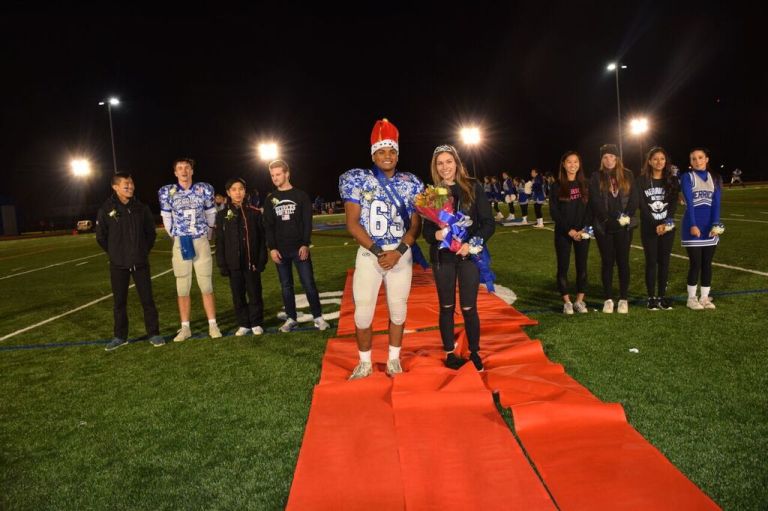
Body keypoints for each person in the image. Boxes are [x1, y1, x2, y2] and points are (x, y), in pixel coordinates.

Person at [339, 118, 424, 379]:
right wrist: (378, 253)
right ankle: (364, 362)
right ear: (373, 154)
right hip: (370, 253)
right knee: (363, 313)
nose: (387, 156)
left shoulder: (411, 182)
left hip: (400, 253)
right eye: (381, 151)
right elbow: (353, 224)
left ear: (397, 155)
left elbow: (415, 225)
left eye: (392, 151)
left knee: (398, 309)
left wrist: (398, 252)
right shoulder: (357, 179)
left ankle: (393, 359)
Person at [422, 144, 494, 370]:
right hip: (443, 258)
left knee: (468, 307)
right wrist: (437, 234)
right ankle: (450, 353)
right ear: (435, 167)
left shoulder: (473, 187)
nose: (445, 167)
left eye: (448, 162)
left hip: (468, 256)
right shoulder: (433, 193)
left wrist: (470, 244)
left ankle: (474, 352)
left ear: (457, 163)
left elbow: (488, 223)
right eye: (440, 163)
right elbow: (426, 233)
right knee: (446, 306)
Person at [96, 172, 165, 350]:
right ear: (115, 187)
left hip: (140, 262)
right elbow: (101, 237)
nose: (130, 187)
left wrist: (141, 251)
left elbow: (151, 233)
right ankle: (120, 336)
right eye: (126, 185)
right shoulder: (106, 209)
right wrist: (115, 253)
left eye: (132, 184)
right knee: (119, 302)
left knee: (147, 300)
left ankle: (154, 333)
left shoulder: (141, 208)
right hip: (118, 264)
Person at [158, 157, 222, 341]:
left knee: (206, 284)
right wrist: (177, 236)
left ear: (192, 171)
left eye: (187, 167)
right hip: (182, 241)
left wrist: (207, 236)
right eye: (180, 168)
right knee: (182, 286)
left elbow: (211, 214)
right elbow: (167, 218)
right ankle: (185, 327)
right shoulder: (167, 192)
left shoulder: (204, 189)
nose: (184, 171)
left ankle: (213, 324)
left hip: (200, 239)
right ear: (175, 172)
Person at [263, 159, 330, 332]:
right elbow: (269, 226)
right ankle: (291, 318)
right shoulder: (270, 199)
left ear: (287, 174)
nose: (275, 178)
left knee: (308, 283)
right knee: (286, 286)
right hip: (280, 251)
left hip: (299, 248)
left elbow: (307, 223)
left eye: (278, 174)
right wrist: (273, 248)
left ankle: (318, 317)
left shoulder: (301, 196)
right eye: (272, 175)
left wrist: (305, 244)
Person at [589, 144, 638, 314]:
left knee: (623, 262)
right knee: (607, 262)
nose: (609, 160)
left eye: (612, 156)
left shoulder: (628, 174)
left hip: (624, 227)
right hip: (604, 227)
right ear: (601, 160)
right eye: (605, 157)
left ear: (617, 158)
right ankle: (608, 299)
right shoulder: (596, 176)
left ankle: (623, 298)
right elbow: (594, 200)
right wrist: (605, 219)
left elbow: (634, 199)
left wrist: (625, 218)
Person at [216, 177, 267, 336]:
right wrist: (222, 264)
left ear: (245, 191)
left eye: (240, 189)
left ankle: (256, 322)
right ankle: (243, 323)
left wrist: (261, 260)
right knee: (238, 294)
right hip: (233, 263)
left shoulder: (254, 212)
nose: (237, 192)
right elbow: (220, 241)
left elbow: (261, 239)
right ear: (228, 193)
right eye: (234, 189)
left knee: (254, 292)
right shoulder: (223, 215)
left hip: (251, 262)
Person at [636, 147, 679, 310]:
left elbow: (673, 204)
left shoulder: (672, 180)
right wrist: (655, 224)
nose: (659, 162)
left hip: (667, 227)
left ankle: (662, 296)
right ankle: (651, 297)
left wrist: (666, 223)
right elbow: (642, 205)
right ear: (649, 161)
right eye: (655, 159)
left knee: (664, 262)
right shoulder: (641, 181)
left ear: (666, 161)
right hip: (649, 227)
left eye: (662, 158)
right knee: (651, 262)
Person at [549, 151, 592, 314]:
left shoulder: (585, 184)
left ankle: (580, 301)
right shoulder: (557, 185)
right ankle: (567, 301)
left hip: (582, 232)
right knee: (563, 266)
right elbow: (554, 212)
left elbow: (590, 209)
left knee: (582, 266)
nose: (572, 165)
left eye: (575, 162)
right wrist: (569, 230)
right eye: (569, 162)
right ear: (563, 164)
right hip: (563, 232)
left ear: (579, 164)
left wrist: (584, 229)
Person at [681, 148, 722, 310]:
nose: (697, 161)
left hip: (709, 228)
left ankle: (704, 298)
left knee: (707, 264)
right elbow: (690, 203)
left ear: (706, 159)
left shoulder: (716, 178)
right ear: (690, 162)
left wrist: (716, 224)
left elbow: (716, 205)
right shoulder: (687, 177)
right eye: (693, 159)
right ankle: (691, 298)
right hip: (693, 227)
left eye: (700, 158)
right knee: (695, 263)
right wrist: (692, 224)